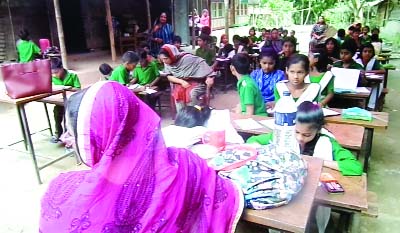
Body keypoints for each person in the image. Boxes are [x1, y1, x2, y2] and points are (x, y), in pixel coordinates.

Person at [39, 81, 243, 232]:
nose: (64, 138)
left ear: (97, 137)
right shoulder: (185, 166)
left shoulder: (61, 193)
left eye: (70, 131)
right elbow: (223, 193)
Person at [159, 44, 214, 111]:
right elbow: (169, 76)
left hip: (197, 82)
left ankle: (193, 115)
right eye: (162, 59)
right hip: (181, 83)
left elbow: (206, 68)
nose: (164, 61)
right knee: (178, 93)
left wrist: (209, 77)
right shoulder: (167, 63)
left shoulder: (188, 58)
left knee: (191, 93)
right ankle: (182, 116)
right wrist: (181, 81)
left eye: (166, 59)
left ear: (172, 55)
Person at [50, 58, 81, 143]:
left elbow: (78, 89)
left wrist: (68, 89)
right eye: (52, 73)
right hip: (59, 101)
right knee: (57, 113)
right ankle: (58, 133)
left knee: (69, 118)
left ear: (62, 68)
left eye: (56, 72)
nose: (54, 75)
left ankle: (69, 135)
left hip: (71, 102)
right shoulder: (51, 77)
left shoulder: (72, 75)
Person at [355, 43, 385, 110]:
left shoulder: (374, 61)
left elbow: (383, 71)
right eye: (365, 51)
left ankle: (371, 106)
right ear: (361, 52)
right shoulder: (356, 61)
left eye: (370, 51)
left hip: (371, 82)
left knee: (377, 86)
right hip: (359, 82)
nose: (367, 53)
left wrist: (367, 72)